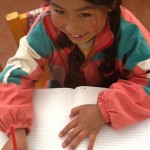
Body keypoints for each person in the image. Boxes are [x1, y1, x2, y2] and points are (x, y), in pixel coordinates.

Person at [1, 0, 150, 149]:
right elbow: (14, 75)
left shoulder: (130, 33)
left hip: (119, 102)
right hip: (60, 95)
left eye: (85, 14)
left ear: (110, 5)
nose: (72, 27)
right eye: (59, 11)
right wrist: (16, 131)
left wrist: (104, 109)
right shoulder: (45, 27)